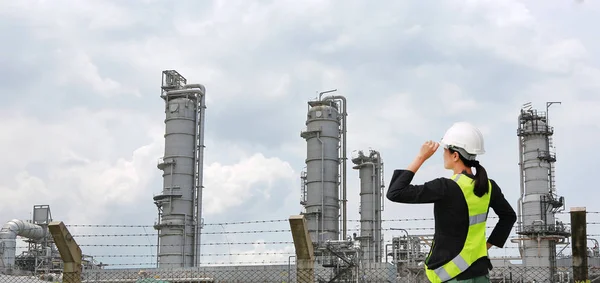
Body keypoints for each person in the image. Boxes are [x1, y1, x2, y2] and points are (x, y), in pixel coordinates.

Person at [386, 122, 517, 283]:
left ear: (455, 156)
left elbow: (395, 192)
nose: (443, 154)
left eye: (445, 150)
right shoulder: (489, 187)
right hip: (480, 273)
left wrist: (421, 157)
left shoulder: (445, 187)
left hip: (452, 275)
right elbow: (509, 217)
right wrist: (486, 246)